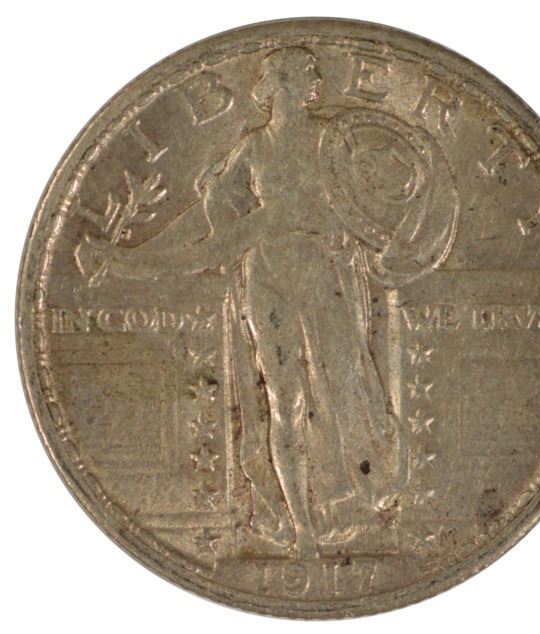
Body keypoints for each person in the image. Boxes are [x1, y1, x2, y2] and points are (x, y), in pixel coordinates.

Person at [81, 47, 414, 557]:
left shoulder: (335, 140)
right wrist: (133, 258)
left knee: (344, 394)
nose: (311, 83)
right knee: (285, 402)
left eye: (310, 75)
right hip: (268, 277)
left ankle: (340, 505)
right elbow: (208, 224)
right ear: (275, 85)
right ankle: (301, 526)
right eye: (300, 74)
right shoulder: (255, 148)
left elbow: (376, 206)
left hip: (325, 278)